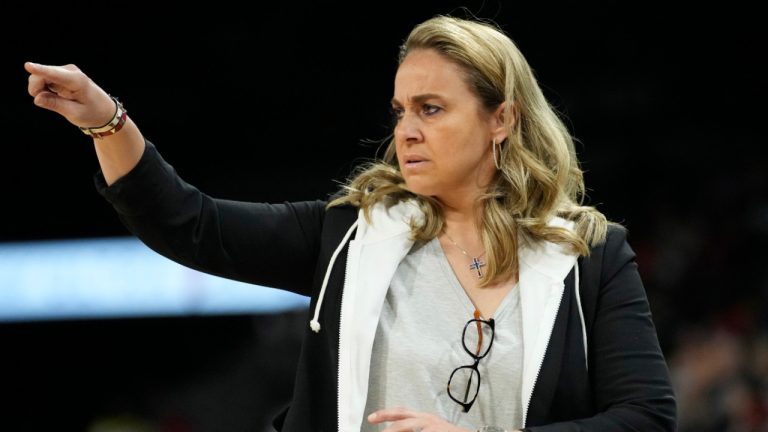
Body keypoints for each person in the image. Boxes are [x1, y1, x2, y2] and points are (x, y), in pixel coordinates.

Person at [24, 14, 677, 432]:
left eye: (431, 108)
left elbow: (646, 418)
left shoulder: (589, 254)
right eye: (400, 111)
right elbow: (187, 223)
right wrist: (105, 119)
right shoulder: (350, 236)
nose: (407, 131)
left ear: (499, 119)